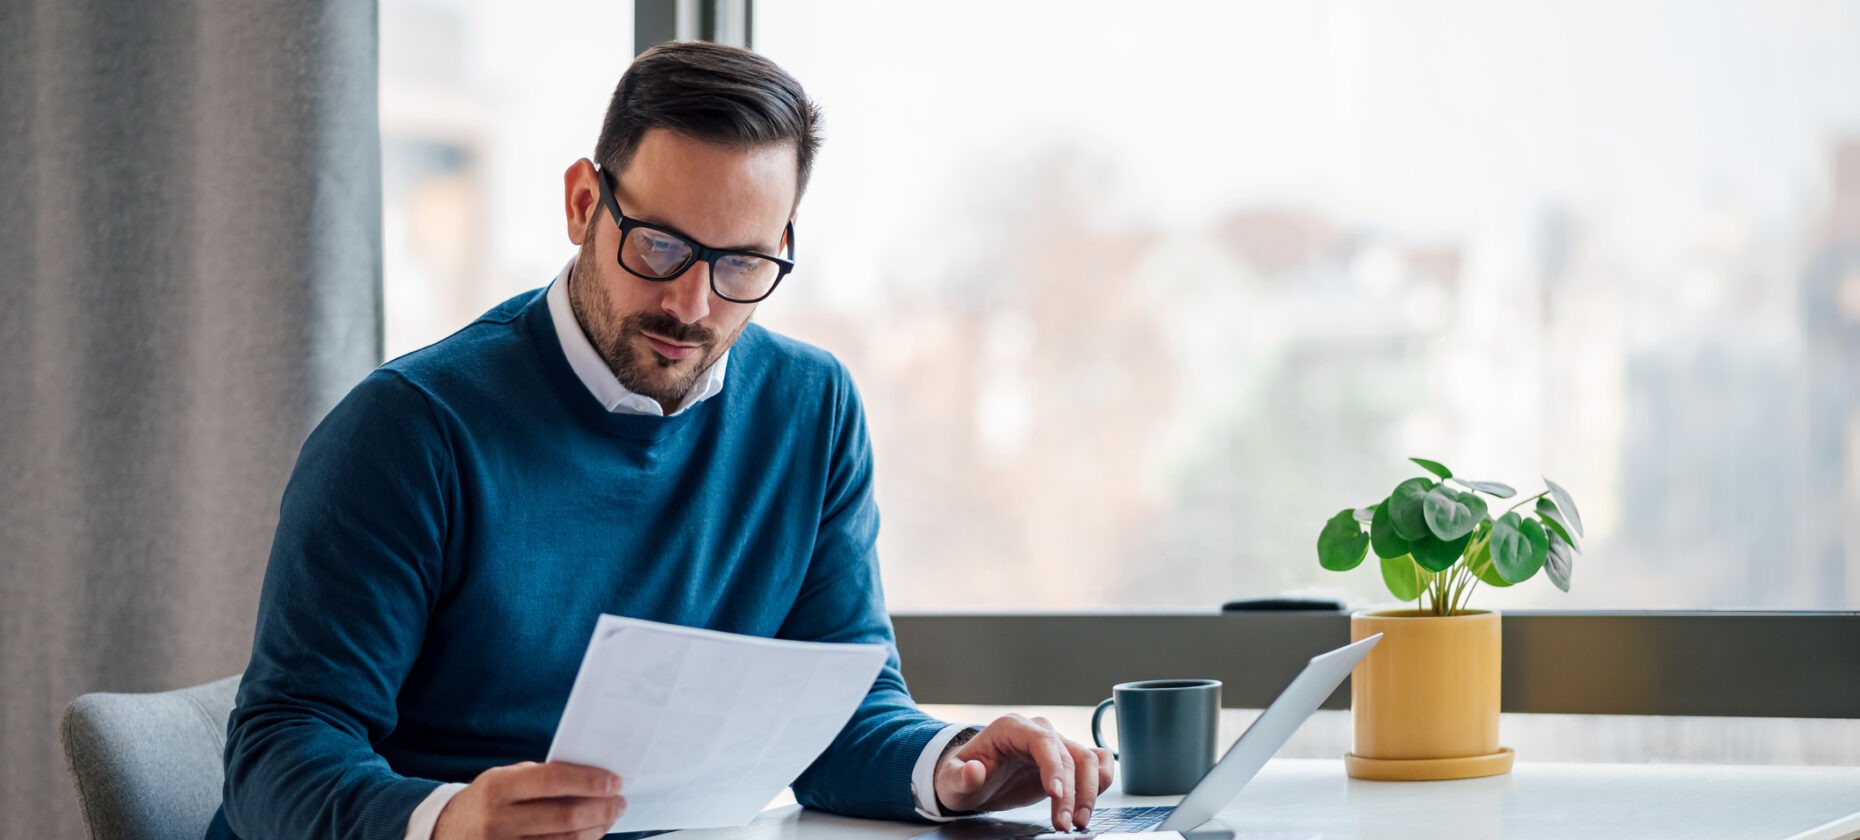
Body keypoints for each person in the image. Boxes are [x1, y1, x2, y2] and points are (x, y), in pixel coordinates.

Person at [210, 41, 1113, 840]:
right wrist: (447, 820)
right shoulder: (409, 431)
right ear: (582, 205)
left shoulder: (813, 409)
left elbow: (842, 713)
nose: (694, 304)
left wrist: (952, 766)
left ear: (783, 245)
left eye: (742, 264)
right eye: (659, 248)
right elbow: (279, 752)